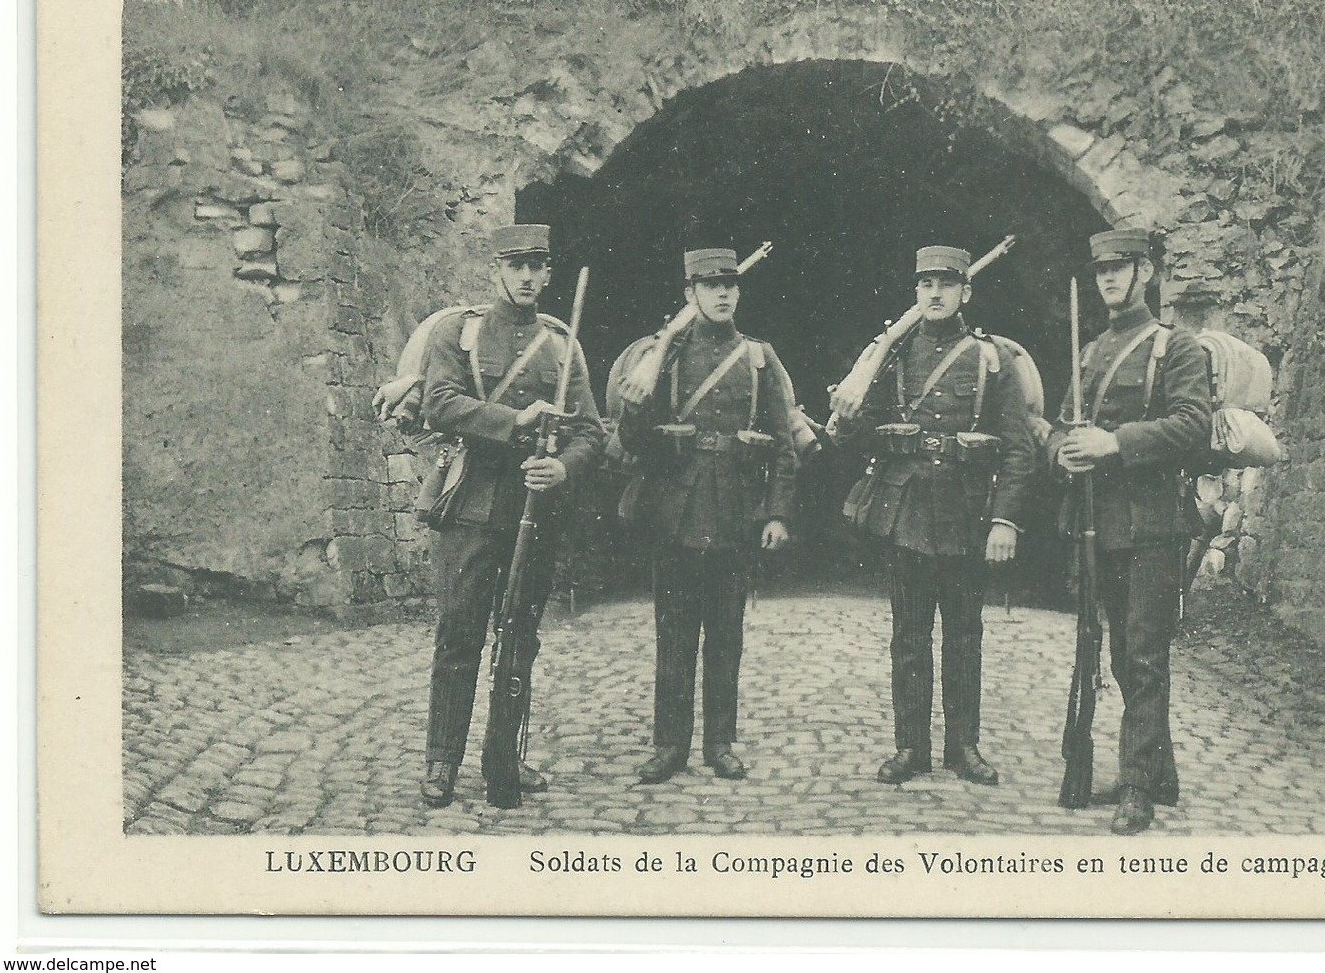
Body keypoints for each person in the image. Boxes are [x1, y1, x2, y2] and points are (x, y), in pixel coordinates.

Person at [416, 223, 604, 809]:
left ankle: (505, 756)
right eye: (516, 265)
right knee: (459, 632)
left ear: (549, 273)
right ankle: (441, 762)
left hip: (533, 507)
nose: (527, 277)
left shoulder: (560, 345)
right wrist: (515, 422)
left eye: (537, 266)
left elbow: (590, 432)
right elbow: (438, 400)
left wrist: (564, 470)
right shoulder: (461, 332)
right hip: (472, 501)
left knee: (519, 637)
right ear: (497, 268)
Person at [836, 245, 1036, 786]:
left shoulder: (991, 359)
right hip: (906, 514)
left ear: (965, 292)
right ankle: (910, 747)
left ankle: (964, 746)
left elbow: (1020, 448)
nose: (936, 293)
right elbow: (858, 432)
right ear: (916, 292)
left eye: (947, 284)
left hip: (968, 512)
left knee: (965, 635)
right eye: (926, 284)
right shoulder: (892, 358)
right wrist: (847, 411)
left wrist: (1004, 520)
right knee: (909, 636)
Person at [1047, 228, 1212, 834]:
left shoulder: (1176, 347)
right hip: (1095, 524)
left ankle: (1138, 786)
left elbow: (1193, 424)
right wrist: (1061, 451)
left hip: (1151, 525)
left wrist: (1114, 442)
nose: (1109, 280)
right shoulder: (1088, 353)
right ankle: (1160, 771)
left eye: (1121, 269)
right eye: (1101, 272)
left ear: (1145, 274)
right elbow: (1059, 426)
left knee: (1142, 655)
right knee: (1108, 653)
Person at [615, 247, 799, 784]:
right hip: (673, 512)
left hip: (736, 513)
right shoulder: (662, 358)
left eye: (730, 285)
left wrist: (777, 514)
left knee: (725, 636)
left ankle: (720, 743)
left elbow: (784, 446)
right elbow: (632, 440)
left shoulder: (760, 358)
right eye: (710, 285)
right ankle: (669, 745)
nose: (722, 294)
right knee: (672, 636)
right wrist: (635, 401)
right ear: (690, 295)